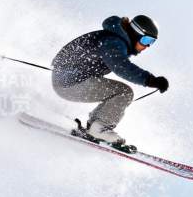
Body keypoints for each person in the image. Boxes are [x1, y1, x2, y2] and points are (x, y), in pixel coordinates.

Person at [50, 14, 169, 147]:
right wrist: (150, 80)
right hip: (70, 82)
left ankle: (95, 127)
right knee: (124, 92)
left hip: (68, 80)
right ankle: (99, 128)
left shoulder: (114, 38)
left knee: (119, 92)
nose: (147, 46)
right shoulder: (113, 41)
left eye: (151, 43)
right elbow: (121, 66)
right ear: (136, 33)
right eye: (146, 40)